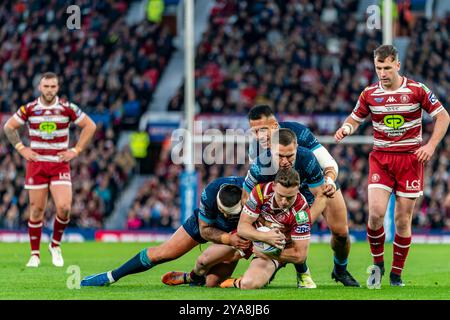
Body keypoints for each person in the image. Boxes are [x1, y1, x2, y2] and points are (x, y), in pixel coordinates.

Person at [334, 44, 449, 288]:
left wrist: (430, 146)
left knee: (403, 220)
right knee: (375, 214)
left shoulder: (417, 90)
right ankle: (378, 265)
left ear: (397, 65)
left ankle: (396, 274)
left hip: (410, 159)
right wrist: (346, 128)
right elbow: (355, 118)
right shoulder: (369, 94)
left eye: (387, 67)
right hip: (381, 159)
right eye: (378, 68)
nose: (382, 73)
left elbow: (443, 116)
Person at [246, 105, 360, 287]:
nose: (259, 136)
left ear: (275, 126)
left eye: (262, 130)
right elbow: (261, 183)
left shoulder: (298, 132)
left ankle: (340, 269)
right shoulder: (255, 149)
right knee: (282, 231)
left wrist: (329, 181)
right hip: (287, 189)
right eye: (254, 131)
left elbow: (329, 164)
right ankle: (285, 266)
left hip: (318, 183)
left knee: (341, 233)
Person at [80, 176, 251, 287]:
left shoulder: (252, 194)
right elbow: (205, 230)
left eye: (230, 213)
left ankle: (190, 277)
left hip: (239, 230)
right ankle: (111, 276)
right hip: (207, 224)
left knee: (211, 284)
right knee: (163, 253)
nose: (226, 215)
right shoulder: (210, 192)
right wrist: (229, 239)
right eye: (223, 211)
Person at [3, 72, 96, 268]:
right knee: (36, 210)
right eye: (46, 86)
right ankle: (35, 254)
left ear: (58, 87)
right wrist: (21, 148)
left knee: (64, 207)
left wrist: (76, 150)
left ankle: (55, 245)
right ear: (40, 87)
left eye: (53, 86)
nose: (49, 90)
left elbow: (90, 126)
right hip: (36, 165)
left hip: (59, 164)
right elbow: (9, 127)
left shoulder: (66, 108)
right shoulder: (29, 109)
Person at [220, 167, 328, 289]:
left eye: (289, 197)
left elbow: (300, 255)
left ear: (297, 190)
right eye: (281, 195)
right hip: (256, 237)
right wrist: (264, 237)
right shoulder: (260, 191)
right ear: (274, 186)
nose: (284, 201)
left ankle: (236, 282)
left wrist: (266, 252)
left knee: (248, 284)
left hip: (281, 249)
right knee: (205, 260)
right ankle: (195, 275)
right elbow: (242, 227)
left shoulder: (301, 211)